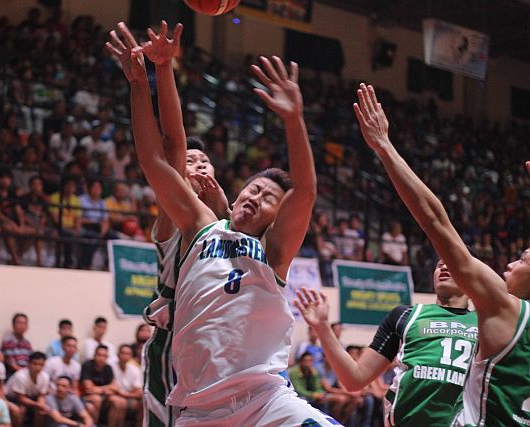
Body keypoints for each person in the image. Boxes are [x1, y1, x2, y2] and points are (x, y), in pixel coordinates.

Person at [109, 21, 339, 426]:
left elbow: (304, 191)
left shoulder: (273, 252)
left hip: (265, 399)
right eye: (253, 188)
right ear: (237, 195)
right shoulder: (201, 226)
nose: (256, 196)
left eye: (268, 198)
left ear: (274, 217)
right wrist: (140, 82)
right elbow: (157, 160)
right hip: (198, 405)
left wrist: (293, 120)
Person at [353, 82, 530, 426]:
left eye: (522, 258)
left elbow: (435, 221)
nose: (509, 263)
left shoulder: (506, 310)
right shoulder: (413, 316)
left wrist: (384, 147)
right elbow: (354, 379)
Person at [117, 22, 229, 427]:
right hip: (177, 343)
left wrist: (225, 207)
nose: (197, 165)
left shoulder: (234, 224)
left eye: (205, 161)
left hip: (223, 345)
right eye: (191, 162)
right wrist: (158, 72)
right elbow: (170, 148)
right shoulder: (177, 216)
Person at [294, 250, 477, 426]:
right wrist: (323, 328)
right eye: (439, 264)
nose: (443, 267)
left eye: (451, 263)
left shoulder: (487, 324)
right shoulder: (405, 315)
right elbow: (354, 378)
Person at [79, 345, 125, 427]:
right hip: (86, 396)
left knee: (120, 402)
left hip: (104, 395)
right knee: (96, 399)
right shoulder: (87, 365)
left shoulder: (108, 368)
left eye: (104, 356)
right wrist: (107, 388)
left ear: (107, 357)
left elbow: (115, 387)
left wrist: (98, 389)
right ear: (94, 355)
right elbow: (88, 389)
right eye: (99, 355)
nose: (101, 358)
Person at [4, 351, 50, 427]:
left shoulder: (45, 376)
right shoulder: (21, 376)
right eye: (35, 364)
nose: (37, 367)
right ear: (29, 364)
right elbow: (21, 398)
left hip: (31, 397)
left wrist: (41, 405)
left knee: (41, 410)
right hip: (12, 398)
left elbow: (42, 395)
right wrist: (37, 404)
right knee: (21, 410)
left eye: (41, 365)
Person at [111, 344, 143, 426]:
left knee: (144, 402)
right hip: (114, 396)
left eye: (128, 354)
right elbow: (111, 388)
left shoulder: (135, 369)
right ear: (118, 355)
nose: (125, 356)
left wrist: (122, 393)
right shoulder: (111, 367)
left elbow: (139, 392)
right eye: (123, 353)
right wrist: (131, 392)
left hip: (127, 397)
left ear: (131, 356)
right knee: (120, 403)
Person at [1, 313, 33, 378]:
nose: (22, 326)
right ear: (13, 325)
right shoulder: (8, 341)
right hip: (13, 373)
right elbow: (12, 364)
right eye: (19, 323)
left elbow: (31, 360)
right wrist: (25, 373)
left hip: (26, 372)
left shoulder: (27, 343)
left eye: (24, 323)